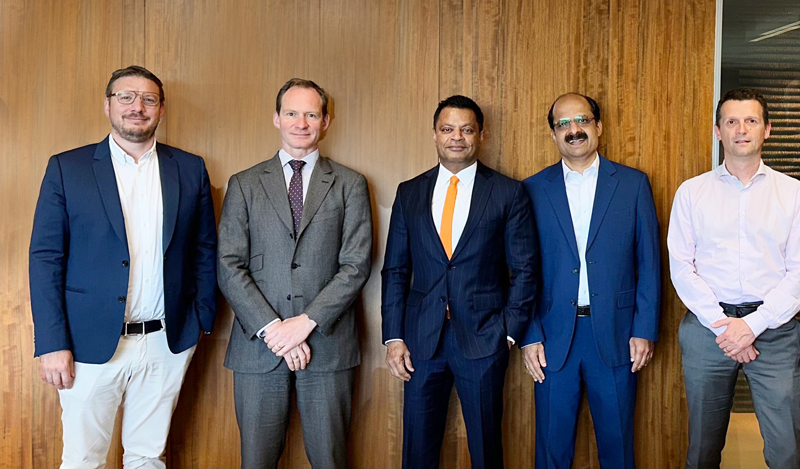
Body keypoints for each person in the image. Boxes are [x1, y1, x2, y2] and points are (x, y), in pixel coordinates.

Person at [29, 65, 217, 469]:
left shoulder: (189, 168)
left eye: (148, 99)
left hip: (166, 342)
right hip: (86, 344)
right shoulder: (68, 168)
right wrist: (51, 342)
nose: (137, 107)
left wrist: (201, 319)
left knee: (148, 457)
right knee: (83, 460)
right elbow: (45, 258)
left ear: (161, 109)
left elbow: (204, 248)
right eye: (126, 97)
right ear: (108, 105)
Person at [217, 78, 373, 469]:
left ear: (325, 121)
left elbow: (355, 265)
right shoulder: (245, 184)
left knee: (330, 461)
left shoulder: (351, 185)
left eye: (310, 114)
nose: (300, 122)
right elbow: (228, 264)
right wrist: (275, 329)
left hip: (328, 346)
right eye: (291, 113)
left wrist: (304, 324)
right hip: (259, 349)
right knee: (256, 462)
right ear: (276, 118)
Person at [381, 95, 539, 469]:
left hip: (485, 339)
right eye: (447, 129)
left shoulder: (507, 192)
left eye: (466, 129)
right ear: (434, 135)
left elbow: (525, 269)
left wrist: (509, 331)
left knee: (486, 450)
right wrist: (394, 337)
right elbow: (396, 270)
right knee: (417, 451)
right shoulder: (410, 192)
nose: (457, 137)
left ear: (480, 134)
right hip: (421, 342)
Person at [667, 87, 800, 469]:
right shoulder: (692, 192)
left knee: (787, 449)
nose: (741, 129)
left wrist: (751, 326)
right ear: (719, 131)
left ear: (767, 130)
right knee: (702, 446)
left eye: (751, 121)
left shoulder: (793, 193)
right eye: (731, 121)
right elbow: (682, 267)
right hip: (707, 329)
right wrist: (726, 328)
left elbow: (799, 273)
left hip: (775, 329)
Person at [520, 93, 660, 469]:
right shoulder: (531, 190)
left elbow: (648, 261)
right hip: (552, 339)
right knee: (552, 449)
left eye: (581, 120)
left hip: (616, 336)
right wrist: (529, 333)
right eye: (563, 124)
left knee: (618, 447)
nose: (574, 130)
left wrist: (644, 328)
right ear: (553, 135)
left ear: (598, 126)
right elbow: (522, 270)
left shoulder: (633, 184)